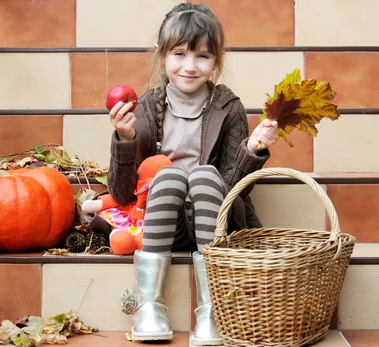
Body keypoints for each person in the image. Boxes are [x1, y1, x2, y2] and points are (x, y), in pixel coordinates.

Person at [106, 3, 278, 345]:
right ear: (161, 55)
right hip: (161, 226)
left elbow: (233, 193)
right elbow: (123, 195)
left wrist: (251, 152)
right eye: (179, 54)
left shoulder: (228, 108)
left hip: (213, 224)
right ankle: (149, 306)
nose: (189, 66)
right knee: (168, 177)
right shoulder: (142, 110)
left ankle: (212, 310)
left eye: (202, 56)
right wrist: (125, 141)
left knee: (202, 175)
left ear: (217, 60)